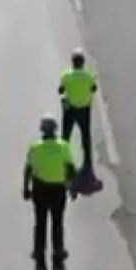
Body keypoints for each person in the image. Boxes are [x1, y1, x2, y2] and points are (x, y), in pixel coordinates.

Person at [23, 115, 76, 265]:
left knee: (40, 222)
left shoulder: (35, 147)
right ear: (55, 129)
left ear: (42, 130)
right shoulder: (63, 146)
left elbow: (28, 169)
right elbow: (70, 169)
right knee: (57, 222)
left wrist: (26, 188)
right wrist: (72, 188)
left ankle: (39, 251)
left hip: (40, 188)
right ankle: (58, 250)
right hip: (58, 189)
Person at [58, 48, 98, 181]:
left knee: (66, 135)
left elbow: (60, 90)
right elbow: (94, 88)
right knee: (85, 135)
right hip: (84, 110)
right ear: (83, 63)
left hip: (70, 109)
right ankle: (87, 160)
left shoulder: (66, 75)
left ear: (72, 62)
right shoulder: (88, 76)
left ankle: (63, 159)